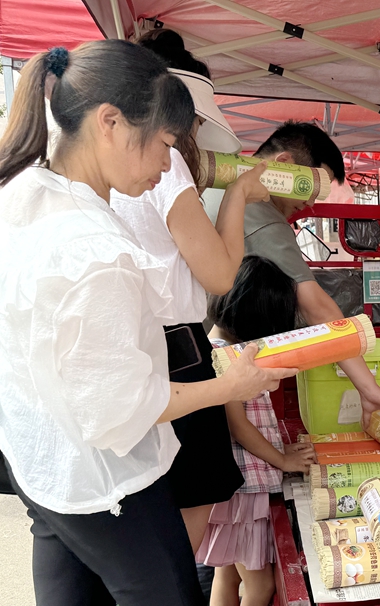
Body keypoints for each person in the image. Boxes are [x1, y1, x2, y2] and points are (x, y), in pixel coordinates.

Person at [0, 41, 293, 606]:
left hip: (41, 458)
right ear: (109, 122)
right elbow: (120, 410)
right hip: (108, 478)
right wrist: (228, 387)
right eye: (163, 145)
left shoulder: (22, 192)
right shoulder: (98, 250)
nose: (166, 165)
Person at [110, 27, 268, 555]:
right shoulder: (167, 160)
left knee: (130, 520)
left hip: (128, 346)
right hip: (174, 350)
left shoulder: (97, 161)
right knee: (182, 527)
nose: (191, 136)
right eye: (192, 124)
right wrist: (239, 195)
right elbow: (221, 276)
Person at [205, 122, 380, 429]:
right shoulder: (263, 216)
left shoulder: (216, 187)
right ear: (284, 166)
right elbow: (314, 305)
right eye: (315, 186)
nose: (312, 202)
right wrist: (368, 388)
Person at [201, 256, 318, 606]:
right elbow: (239, 426)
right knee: (261, 586)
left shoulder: (214, 346)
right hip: (244, 491)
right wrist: (283, 459)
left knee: (227, 573)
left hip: (230, 491)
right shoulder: (229, 360)